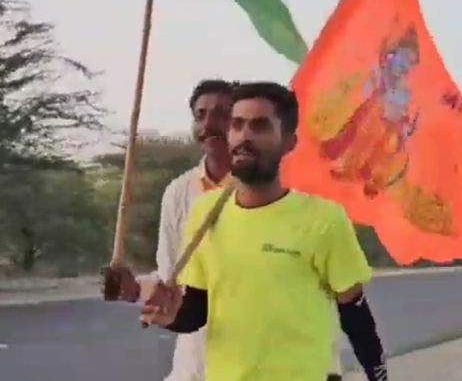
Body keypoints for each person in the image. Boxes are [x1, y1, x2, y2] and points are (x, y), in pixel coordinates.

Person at [140, 81, 387, 381]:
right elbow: (196, 311)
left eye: (259, 126)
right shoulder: (204, 214)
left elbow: (355, 312)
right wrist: (171, 318)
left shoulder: (324, 219)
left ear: (288, 142)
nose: (244, 136)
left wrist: (379, 375)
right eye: (237, 125)